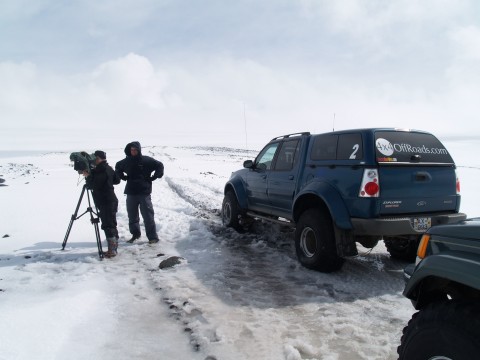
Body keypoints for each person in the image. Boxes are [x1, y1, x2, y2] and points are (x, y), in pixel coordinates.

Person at [115, 141, 164, 244]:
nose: (133, 151)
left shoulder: (146, 160)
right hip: (131, 192)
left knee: (148, 216)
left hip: (144, 192)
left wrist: (155, 176)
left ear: (139, 150)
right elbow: (118, 166)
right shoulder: (126, 161)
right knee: (132, 216)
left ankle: (152, 237)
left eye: (135, 150)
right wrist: (122, 176)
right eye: (131, 150)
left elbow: (159, 165)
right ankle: (135, 234)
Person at [83, 150, 120, 258]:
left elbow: (93, 185)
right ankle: (114, 248)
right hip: (110, 199)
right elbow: (117, 180)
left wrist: (88, 176)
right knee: (111, 223)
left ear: (98, 159)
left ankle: (112, 251)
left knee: (108, 225)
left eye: (95, 158)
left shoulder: (101, 170)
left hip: (106, 201)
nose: (93, 161)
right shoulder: (107, 168)